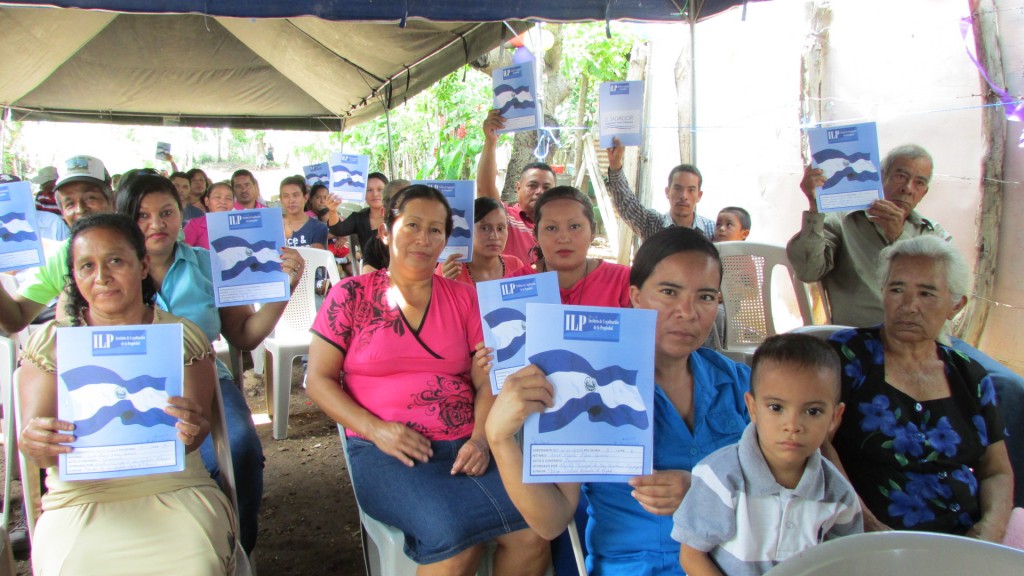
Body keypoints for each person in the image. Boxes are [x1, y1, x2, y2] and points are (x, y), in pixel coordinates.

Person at [306, 185, 549, 575]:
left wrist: (481, 439)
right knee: (455, 537)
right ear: (386, 231)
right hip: (387, 449)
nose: (424, 239)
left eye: (436, 230)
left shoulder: (464, 298)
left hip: (466, 445)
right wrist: (377, 430)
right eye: (413, 225)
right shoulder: (350, 295)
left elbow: (486, 381)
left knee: (535, 532)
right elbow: (317, 380)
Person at [485, 227, 751, 575]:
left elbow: (796, 484)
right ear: (636, 297)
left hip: (744, 563)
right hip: (637, 566)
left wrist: (702, 490)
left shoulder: (738, 383)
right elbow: (552, 521)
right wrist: (499, 438)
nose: (687, 312)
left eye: (705, 297)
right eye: (669, 292)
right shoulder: (585, 384)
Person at [786, 144, 1024, 508]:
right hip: (865, 341)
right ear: (881, 178)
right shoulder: (843, 220)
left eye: (919, 182)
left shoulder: (930, 233)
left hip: (934, 341)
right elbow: (807, 269)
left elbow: (950, 292)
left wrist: (902, 239)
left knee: (1008, 387)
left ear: (925, 191)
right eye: (900, 175)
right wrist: (816, 209)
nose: (908, 187)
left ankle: (1006, 506)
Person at [17, 212, 237, 574]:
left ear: (142, 265)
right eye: (86, 266)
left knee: (196, 562)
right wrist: (36, 441)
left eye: (115, 261)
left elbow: (192, 440)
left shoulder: (181, 337)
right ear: (74, 275)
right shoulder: (51, 344)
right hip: (81, 496)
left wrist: (192, 428)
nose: (101, 277)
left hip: (174, 487)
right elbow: (36, 446)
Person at [116, 174, 306, 553]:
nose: (157, 224)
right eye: (142, 215)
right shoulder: (111, 270)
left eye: (167, 212)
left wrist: (285, 288)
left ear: (182, 214)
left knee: (240, 450)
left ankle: (236, 548)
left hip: (205, 379)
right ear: (125, 217)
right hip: (132, 388)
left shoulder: (208, 264)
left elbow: (245, 336)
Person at [824, 235, 1014, 540]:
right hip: (876, 538)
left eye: (926, 293)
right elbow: (820, 445)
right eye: (897, 289)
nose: (909, 306)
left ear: (956, 305)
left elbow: (997, 470)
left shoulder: (970, 376)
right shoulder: (847, 357)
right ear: (882, 293)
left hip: (967, 539)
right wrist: (869, 526)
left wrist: (991, 528)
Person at [673, 334, 861, 576]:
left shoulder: (838, 494)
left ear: (834, 418)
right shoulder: (721, 477)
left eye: (813, 411)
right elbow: (692, 555)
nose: (792, 425)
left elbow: (844, 561)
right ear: (752, 408)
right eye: (776, 408)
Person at [515, 186, 631, 308]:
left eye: (574, 226)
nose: (564, 238)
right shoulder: (514, 286)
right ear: (536, 234)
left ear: (593, 231)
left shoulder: (624, 282)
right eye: (551, 228)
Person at [477, 110, 557, 265]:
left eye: (546, 187)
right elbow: (485, 189)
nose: (540, 191)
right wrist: (490, 140)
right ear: (518, 188)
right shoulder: (506, 218)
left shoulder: (560, 228)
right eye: (532, 185)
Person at [606, 137, 716, 242]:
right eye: (678, 189)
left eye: (691, 190)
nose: (684, 196)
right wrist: (615, 165)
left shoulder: (712, 231)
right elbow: (626, 204)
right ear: (667, 192)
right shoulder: (652, 224)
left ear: (699, 195)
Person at [436, 197, 528, 284]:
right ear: (469, 229)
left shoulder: (515, 265)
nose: (495, 236)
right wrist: (445, 283)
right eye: (484, 228)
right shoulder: (450, 268)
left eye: (501, 228)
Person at [323, 171, 389, 250]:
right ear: (363, 194)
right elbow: (337, 230)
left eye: (380, 189)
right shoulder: (358, 218)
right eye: (369, 190)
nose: (375, 194)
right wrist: (332, 211)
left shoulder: (398, 216)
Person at [183, 181, 235, 250]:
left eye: (228, 198)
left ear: (234, 203)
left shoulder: (240, 225)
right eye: (217, 197)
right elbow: (183, 252)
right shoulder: (195, 225)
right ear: (207, 201)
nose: (223, 202)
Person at [279, 175, 328, 249]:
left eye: (295, 195)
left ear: (305, 198)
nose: (291, 200)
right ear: (281, 199)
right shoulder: (273, 226)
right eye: (286, 196)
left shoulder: (318, 227)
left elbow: (317, 258)